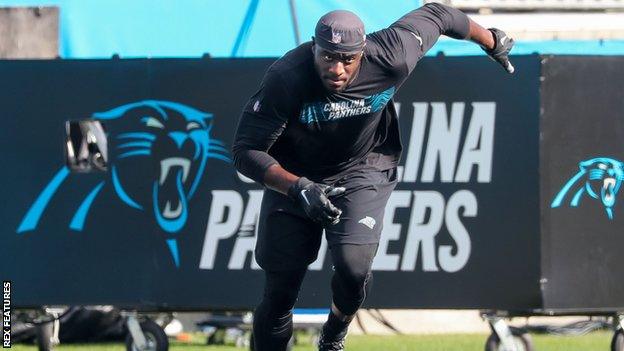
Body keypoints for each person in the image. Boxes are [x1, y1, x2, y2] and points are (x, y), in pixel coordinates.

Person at [232, 3, 514, 350]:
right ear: (313, 47)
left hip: (361, 170)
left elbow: (440, 15)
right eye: (327, 56)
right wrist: (297, 187)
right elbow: (245, 152)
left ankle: (335, 330)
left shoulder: (392, 55)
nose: (336, 68)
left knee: (353, 268)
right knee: (279, 293)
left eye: (347, 59)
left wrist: (491, 40)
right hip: (296, 180)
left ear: (362, 52)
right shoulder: (286, 76)